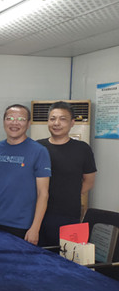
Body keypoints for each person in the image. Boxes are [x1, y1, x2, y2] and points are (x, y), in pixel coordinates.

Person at [0, 104, 51, 245]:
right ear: (3, 121)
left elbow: (43, 193)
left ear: (28, 124)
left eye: (21, 119)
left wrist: (35, 228)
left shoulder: (39, 151)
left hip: (21, 226)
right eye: (10, 118)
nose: (14, 123)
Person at [37, 101, 96, 246]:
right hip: (38, 214)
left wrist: (70, 194)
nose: (56, 123)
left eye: (62, 119)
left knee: (68, 255)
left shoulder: (82, 149)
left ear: (72, 123)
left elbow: (89, 181)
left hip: (69, 215)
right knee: (39, 254)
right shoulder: (38, 147)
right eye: (52, 119)